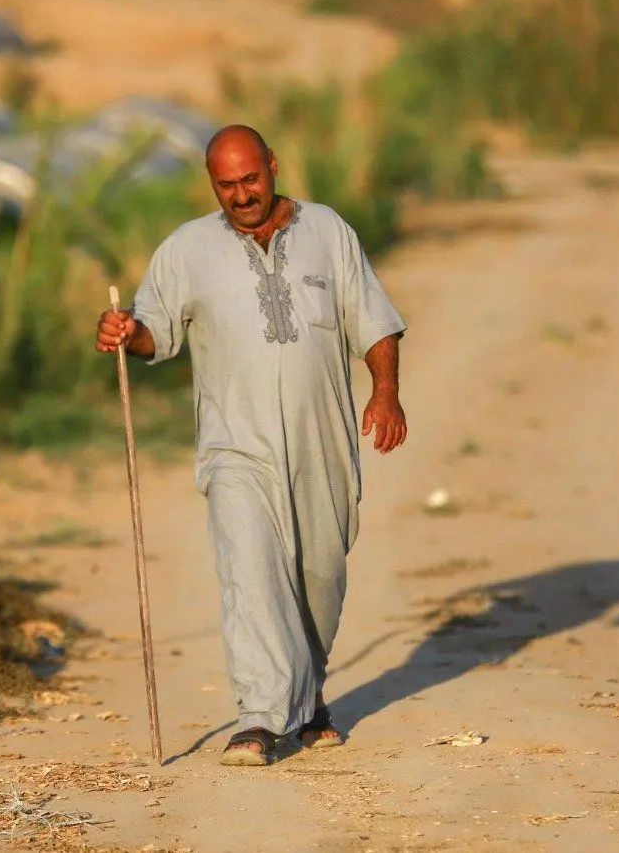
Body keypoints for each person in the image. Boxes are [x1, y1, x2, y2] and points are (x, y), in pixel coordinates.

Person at [93, 124, 409, 766]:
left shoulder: (328, 232)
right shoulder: (186, 250)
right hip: (234, 444)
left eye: (251, 179)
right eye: (226, 185)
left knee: (319, 575)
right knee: (251, 571)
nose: (241, 195)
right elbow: (157, 331)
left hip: (322, 440)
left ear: (272, 165)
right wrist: (126, 333)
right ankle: (261, 716)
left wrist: (385, 393)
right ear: (212, 184)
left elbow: (372, 321)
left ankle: (307, 694)